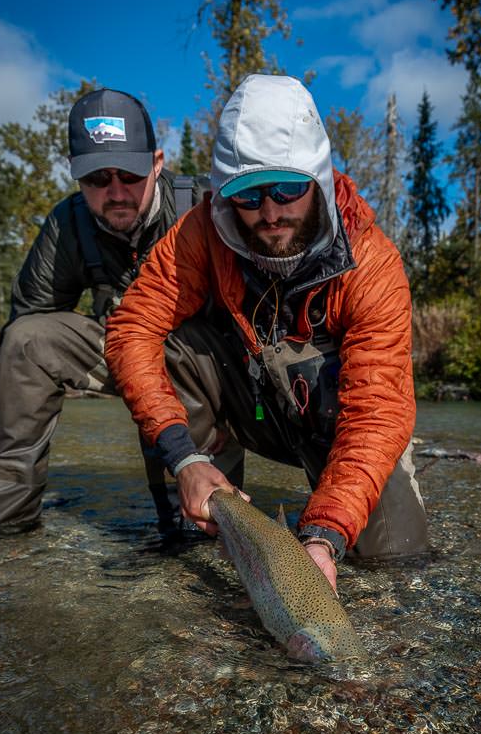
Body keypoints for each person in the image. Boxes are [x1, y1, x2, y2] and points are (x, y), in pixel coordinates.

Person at [105, 74, 428, 590]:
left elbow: (378, 413)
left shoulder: (373, 264)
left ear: (318, 179)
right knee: (172, 344)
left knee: (396, 566)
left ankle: (326, 518)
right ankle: (210, 512)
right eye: (249, 196)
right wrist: (182, 458)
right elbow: (132, 329)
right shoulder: (201, 233)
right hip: (256, 409)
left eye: (288, 188)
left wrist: (323, 536)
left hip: (343, 426)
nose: (271, 211)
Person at [0, 87, 241, 532]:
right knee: (27, 339)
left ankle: (198, 518)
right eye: (96, 179)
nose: (115, 192)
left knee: (192, 538)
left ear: (157, 163)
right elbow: (10, 347)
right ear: (76, 177)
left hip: (209, 376)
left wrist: (237, 415)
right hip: (123, 356)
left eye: (128, 174)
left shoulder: (204, 211)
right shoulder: (68, 226)